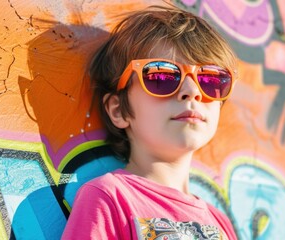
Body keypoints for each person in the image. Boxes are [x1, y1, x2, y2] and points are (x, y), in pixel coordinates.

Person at [62, 4, 238, 239]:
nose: (192, 91)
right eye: (162, 76)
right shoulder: (109, 198)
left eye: (211, 80)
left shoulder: (220, 222)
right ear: (118, 110)